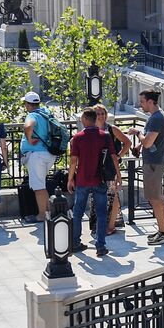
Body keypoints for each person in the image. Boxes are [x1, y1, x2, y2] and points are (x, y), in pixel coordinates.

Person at [68, 107, 111, 258]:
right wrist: (118, 176)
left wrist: (70, 179)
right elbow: (113, 157)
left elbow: (73, 161)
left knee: (78, 211)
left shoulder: (77, 138)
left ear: (86, 120)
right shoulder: (104, 136)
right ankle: (100, 245)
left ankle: (75, 242)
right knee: (101, 213)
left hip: (82, 180)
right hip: (99, 179)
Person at [138, 90, 164, 246]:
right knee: (159, 198)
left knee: (155, 199)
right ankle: (163, 230)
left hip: (154, 164)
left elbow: (148, 143)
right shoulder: (158, 117)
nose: (141, 104)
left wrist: (137, 133)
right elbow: (151, 140)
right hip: (156, 162)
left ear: (150, 102)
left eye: (142, 101)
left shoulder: (156, 119)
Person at [93, 103, 131, 236]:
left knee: (112, 195)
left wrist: (119, 156)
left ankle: (110, 225)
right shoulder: (92, 129)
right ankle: (99, 224)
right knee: (98, 196)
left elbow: (127, 142)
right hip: (96, 168)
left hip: (110, 167)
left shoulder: (112, 129)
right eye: (98, 113)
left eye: (103, 113)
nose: (101, 116)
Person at [21, 91, 55, 223]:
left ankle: (42, 215)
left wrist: (29, 140)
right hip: (48, 153)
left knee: (39, 187)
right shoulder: (46, 112)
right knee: (41, 185)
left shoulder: (32, 115)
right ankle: (47, 213)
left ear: (27, 105)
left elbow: (28, 126)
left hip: (37, 156)